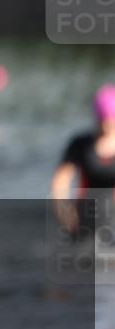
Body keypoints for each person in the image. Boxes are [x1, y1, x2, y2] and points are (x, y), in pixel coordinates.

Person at [51, 84, 115, 235]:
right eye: (104, 119)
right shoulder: (81, 144)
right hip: (84, 218)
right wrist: (64, 213)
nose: (107, 124)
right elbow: (61, 181)